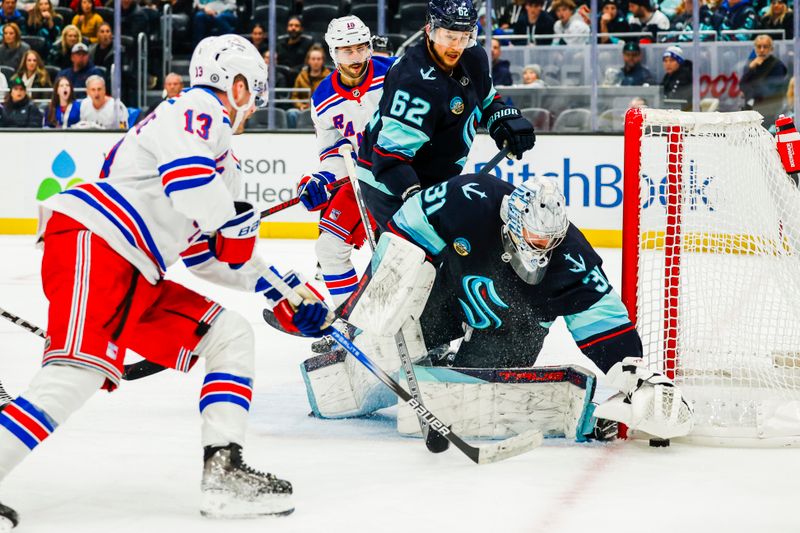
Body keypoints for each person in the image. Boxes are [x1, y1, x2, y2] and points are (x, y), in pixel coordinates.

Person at [0, 35, 330, 529]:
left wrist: (286, 290)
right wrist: (231, 225)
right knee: (72, 378)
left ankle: (223, 470)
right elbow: (191, 184)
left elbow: (206, 255)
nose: (253, 108)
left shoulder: (224, 159)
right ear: (237, 85)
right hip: (99, 245)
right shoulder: (194, 108)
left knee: (229, 337)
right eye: (253, 93)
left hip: (136, 269)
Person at [301, 173, 695, 446]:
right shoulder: (471, 197)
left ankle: (453, 363)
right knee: (367, 369)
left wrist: (638, 376)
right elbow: (405, 230)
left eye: (548, 242)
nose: (540, 250)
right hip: (446, 295)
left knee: (471, 399)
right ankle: (396, 350)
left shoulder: (571, 258)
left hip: (512, 329)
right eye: (533, 239)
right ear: (511, 219)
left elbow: (605, 325)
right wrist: (373, 304)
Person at [356, 0, 536, 233]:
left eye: (464, 37)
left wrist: (503, 120)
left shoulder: (474, 57)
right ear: (430, 30)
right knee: (414, 258)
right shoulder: (413, 82)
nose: (456, 47)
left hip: (435, 176)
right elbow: (389, 160)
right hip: (385, 182)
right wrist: (419, 203)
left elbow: (487, 99)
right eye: (448, 36)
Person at [295, 16, 395, 352]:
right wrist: (322, 179)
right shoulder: (323, 97)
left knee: (402, 257)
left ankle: (425, 330)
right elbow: (332, 150)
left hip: (403, 178)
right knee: (329, 249)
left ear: (369, 46)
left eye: (359, 47)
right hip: (358, 181)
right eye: (345, 50)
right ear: (333, 52)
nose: (354, 57)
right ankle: (352, 326)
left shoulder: (395, 73)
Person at [740, 34, 788, 129]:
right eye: (759, 47)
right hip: (751, 107)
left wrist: (751, 91)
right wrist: (751, 69)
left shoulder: (777, 65)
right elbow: (742, 85)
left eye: (765, 47)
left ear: (771, 49)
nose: (762, 50)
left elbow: (770, 88)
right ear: (755, 48)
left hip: (769, 107)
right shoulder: (752, 64)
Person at [287, 44, 330, 128]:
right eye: (313, 59)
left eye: (318, 59)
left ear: (323, 61)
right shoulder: (301, 76)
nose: (316, 62)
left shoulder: (329, 77)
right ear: (308, 61)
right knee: (291, 113)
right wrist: (300, 106)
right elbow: (294, 96)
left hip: (323, 110)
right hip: (304, 109)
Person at [661, 44, 693, 109]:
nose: (668, 64)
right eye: (665, 61)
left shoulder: (684, 75)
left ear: (679, 61)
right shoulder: (668, 75)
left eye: (671, 60)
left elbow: (676, 98)